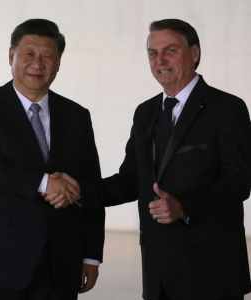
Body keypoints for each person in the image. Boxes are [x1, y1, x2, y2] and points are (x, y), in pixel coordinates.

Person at [47, 19, 251, 300]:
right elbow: (131, 180)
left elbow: (238, 183)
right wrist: (80, 191)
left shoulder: (228, 109)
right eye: (152, 53)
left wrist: (184, 207)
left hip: (212, 270)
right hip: (158, 273)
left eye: (170, 51)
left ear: (194, 54)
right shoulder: (145, 112)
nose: (160, 61)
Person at [0, 19, 105, 300]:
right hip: (0, 260)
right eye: (28, 53)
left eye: (47, 56)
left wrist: (91, 256)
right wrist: (43, 183)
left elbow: (91, 186)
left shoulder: (77, 116)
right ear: (12, 55)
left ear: (59, 62)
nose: (37, 64)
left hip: (62, 263)